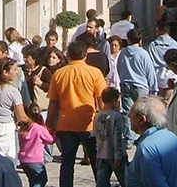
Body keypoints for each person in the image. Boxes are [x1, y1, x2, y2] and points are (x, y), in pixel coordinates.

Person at [46, 41, 105, 187]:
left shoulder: (59, 74)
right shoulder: (94, 73)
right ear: (85, 56)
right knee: (96, 159)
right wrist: (103, 121)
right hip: (88, 123)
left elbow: (53, 102)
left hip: (66, 123)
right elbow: (101, 100)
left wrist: (49, 122)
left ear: (68, 56)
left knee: (67, 161)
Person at [126, 96, 177, 187]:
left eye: (131, 112)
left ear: (142, 120)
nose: (128, 116)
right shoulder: (173, 139)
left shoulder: (146, 149)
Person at [116, 28, 158, 147]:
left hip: (126, 84)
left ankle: (129, 138)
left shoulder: (123, 53)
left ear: (128, 40)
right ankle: (144, 136)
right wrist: (154, 89)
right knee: (144, 113)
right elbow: (150, 72)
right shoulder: (143, 53)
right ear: (140, 40)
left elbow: (119, 67)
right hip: (141, 86)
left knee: (127, 112)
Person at [93, 88, 127, 187]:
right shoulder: (117, 116)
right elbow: (118, 136)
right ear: (113, 101)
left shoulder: (97, 116)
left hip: (102, 154)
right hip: (114, 154)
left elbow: (96, 134)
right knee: (126, 180)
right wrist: (118, 155)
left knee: (101, 182)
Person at [17, 103, 55, 187]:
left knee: (32, 180)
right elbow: (50, 140)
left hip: (24, 160)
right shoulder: (39, 128)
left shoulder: (22, 129)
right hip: (36, 160)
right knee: (42, 180)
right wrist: (54, 134)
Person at [147, 24, 177, 95]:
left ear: (160, 31)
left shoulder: (152, 45)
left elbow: (148, 63)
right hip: (172, 76)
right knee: (169, 102)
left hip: (157, 77)